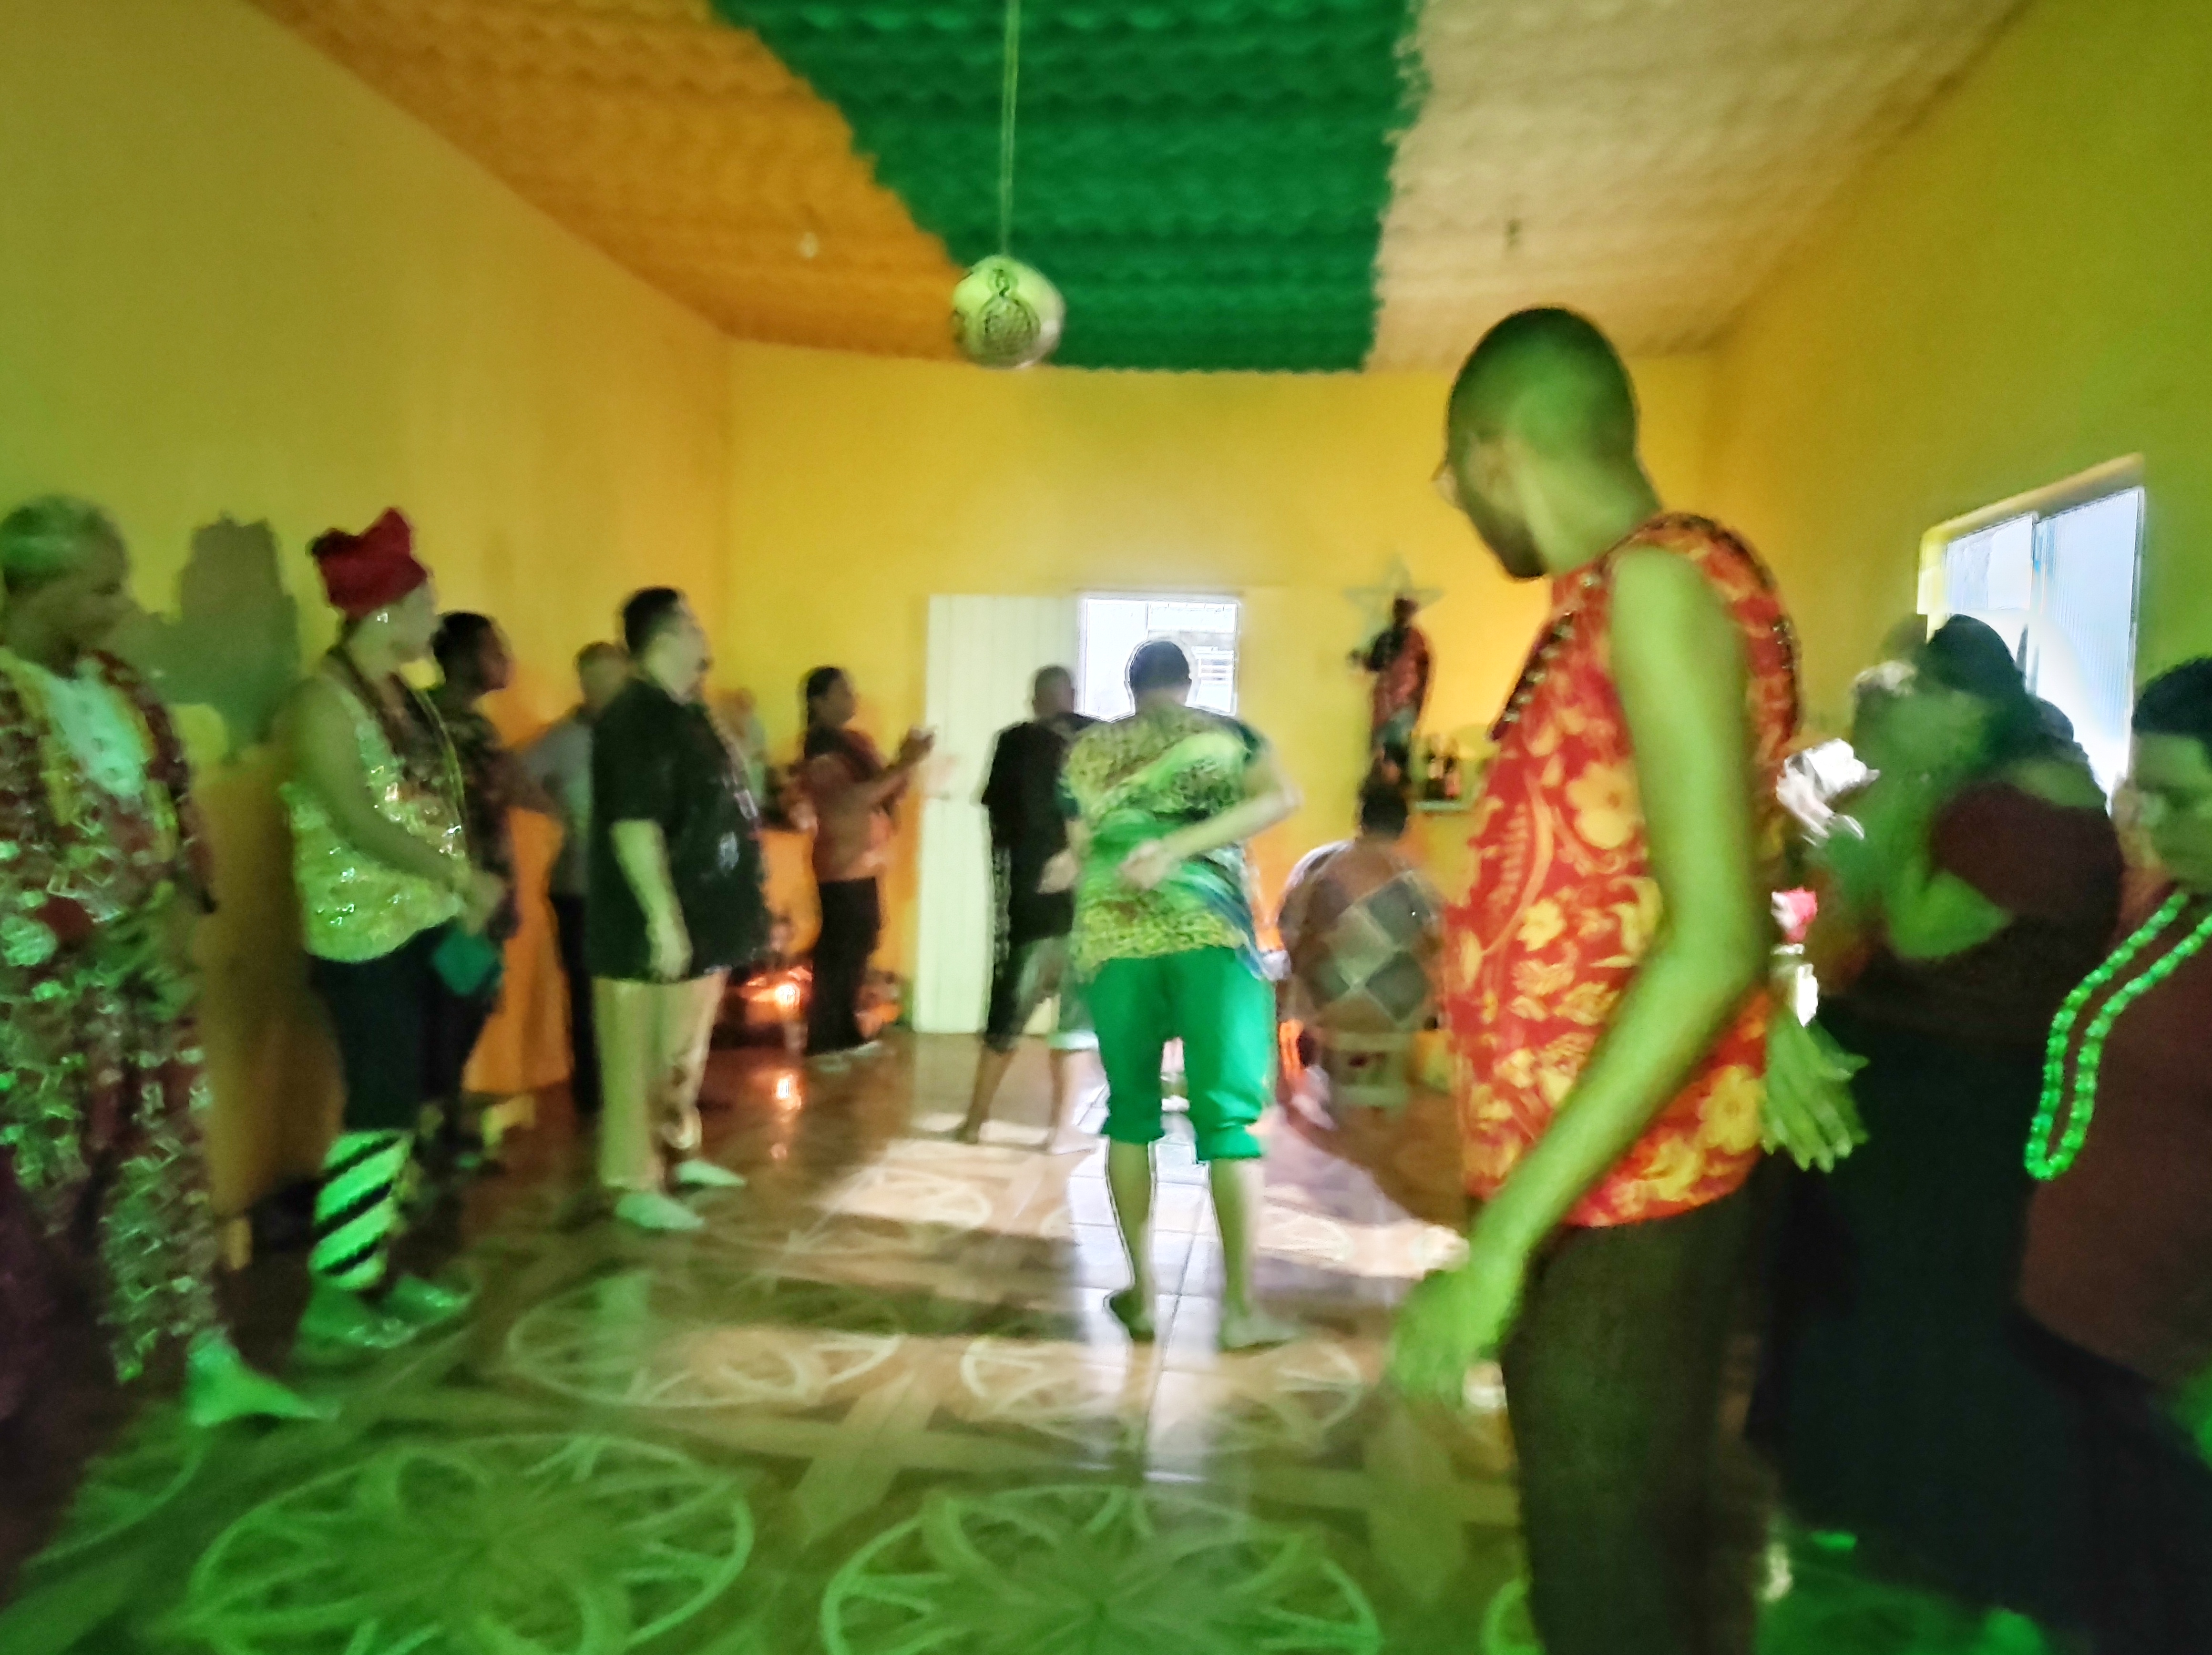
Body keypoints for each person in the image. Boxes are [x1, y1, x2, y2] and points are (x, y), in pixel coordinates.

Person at [1387, 308, 1799, 1655]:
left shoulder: (1657, 589)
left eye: (1453, 475)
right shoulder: (1625, 595)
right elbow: (1732, 866)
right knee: (1624, 1551)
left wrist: (1498, 1253)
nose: (1459, 503)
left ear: (1490, 450)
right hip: (1606, 1175)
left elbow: (1714, 933)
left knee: (1604, 1573)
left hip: (1621, 1195)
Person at [1758, 617, 2121, 1625]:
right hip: (1903, 1067)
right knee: (1847, 1289)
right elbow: (1830, 910)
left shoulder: (2034, 796)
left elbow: (1920, 930)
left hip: (1966, 1094)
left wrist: (1909, 785)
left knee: (1919, 1312)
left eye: (1916, 690)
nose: (1893, 706)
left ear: (1969, 704)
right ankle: (1848, 1500)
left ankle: (1920, 1530)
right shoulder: (1949, 775)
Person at [0, 496, 323, 1426]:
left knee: (166, 1166)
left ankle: (205, 1363)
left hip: (148, 984)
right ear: (34, 589)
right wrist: (104, 928)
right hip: (39, 1003)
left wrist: (176, 913)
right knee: (37, 1191)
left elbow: (182, 810)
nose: (122, 607)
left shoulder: (123, 688)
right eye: (101, 589)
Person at [2017, 659, 2212, 1653]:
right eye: (2142, 790)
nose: (2149, 819)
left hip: (2174, 1363)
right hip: (2087, 1324)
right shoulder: (2177, 900)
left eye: (2181, 797)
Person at [279, 509, 507, 1351]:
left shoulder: (401, 699)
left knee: (416, 1096)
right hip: (359, 938)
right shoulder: (322, 703)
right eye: (425, 606)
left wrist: (461, 890)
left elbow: (430, 802)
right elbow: (354, 818)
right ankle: (335, 1293)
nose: (433, 623)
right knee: (379, 1105)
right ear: (384, 613)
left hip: (427, 925)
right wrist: (458, 875)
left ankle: (376, 1266)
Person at [1049, 639, 1302, 1351]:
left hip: (1113, 935)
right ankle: (1240, 1311)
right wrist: (1181, 848)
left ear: (1132, 689)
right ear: (1186, 685)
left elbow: (1080, 849)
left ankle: (1142, 1298)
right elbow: (1282, 798)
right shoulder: (1229, 735)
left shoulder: (1085, 753)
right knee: (1229, 1124)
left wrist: (1100, 862)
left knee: (1130, 1113)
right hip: (1210, 933)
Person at [588, 589, 763, 1233]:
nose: (702, 634)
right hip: (647, 929)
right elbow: (634, 824)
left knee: (680, 1057)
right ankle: (632, 1182)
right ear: (666, 635)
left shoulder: (686, 712)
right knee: (638, 1058)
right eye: (692, 623)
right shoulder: (633, 717)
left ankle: (680, 1154)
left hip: (701, 922)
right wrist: (662, 919)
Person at [429, 611, 557, 1161]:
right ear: (461, 659)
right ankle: (436, 1133)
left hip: (480, 895)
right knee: (452, 1010)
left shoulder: (473, 726)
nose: (505, 659)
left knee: (467, 1004)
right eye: (492, 649)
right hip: (456, 900)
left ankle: (448, 1124)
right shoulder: (436, 724)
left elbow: (512, 786)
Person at [959, 665, 1096, 1148]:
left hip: (1030, 903)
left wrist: (1012, 890)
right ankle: (1060, 1131)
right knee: (1075, 1023)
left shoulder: (1013, 742)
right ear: (1072, 696)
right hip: (1086, 905)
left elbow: (998, 821)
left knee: (1007, 1016)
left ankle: (974, 1122)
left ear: (1034, 702)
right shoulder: (1099, 740)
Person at [1275, 781, 1444, 1113]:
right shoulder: (1417, 880)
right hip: (1398, 1010)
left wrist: (1316, 965)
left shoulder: (1319, 865)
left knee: (1276, 976)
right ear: (1405, 826)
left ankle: (1284, 1095)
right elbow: (1439, 942)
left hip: (1326, 1005)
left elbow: (1287, 928)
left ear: (1360, 819)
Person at [798, 667, 932, 1069]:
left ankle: (846, 1033)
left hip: (868, 860)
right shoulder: (820, 749)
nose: (851, 699)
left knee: (860, 942)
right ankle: (824, 1041)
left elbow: (887, 789)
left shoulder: (855, 743)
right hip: (841, 862)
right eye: (841, 693)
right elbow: (851, 801)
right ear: (818, 702)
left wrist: (907, 762)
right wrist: (904, 763)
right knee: (839, 949)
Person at [521, 641, 631, 1119]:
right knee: (588, 997)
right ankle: (596, 1097)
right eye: (596, 681)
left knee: (635, 992)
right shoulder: (561, 740)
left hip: (633, 887)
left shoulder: (640, 736)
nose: (606, 691)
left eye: (615, 681)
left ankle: (639, 1091)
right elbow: (510, 775)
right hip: (579, 887)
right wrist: (550, 812)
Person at [1352, 594, 1433, 784]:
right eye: (1399, 611)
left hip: (1405, 705)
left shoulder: (1418, 642)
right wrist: (1360, 659)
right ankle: (1379, 786)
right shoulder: (1385, 638)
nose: (1402, 615)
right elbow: (1376, 664)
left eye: (1407, 612)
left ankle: (1399, 786)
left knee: (1398, 748)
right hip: (1384, 702)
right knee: (1380, 749)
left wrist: (1418, 703)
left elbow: (1425, 676)